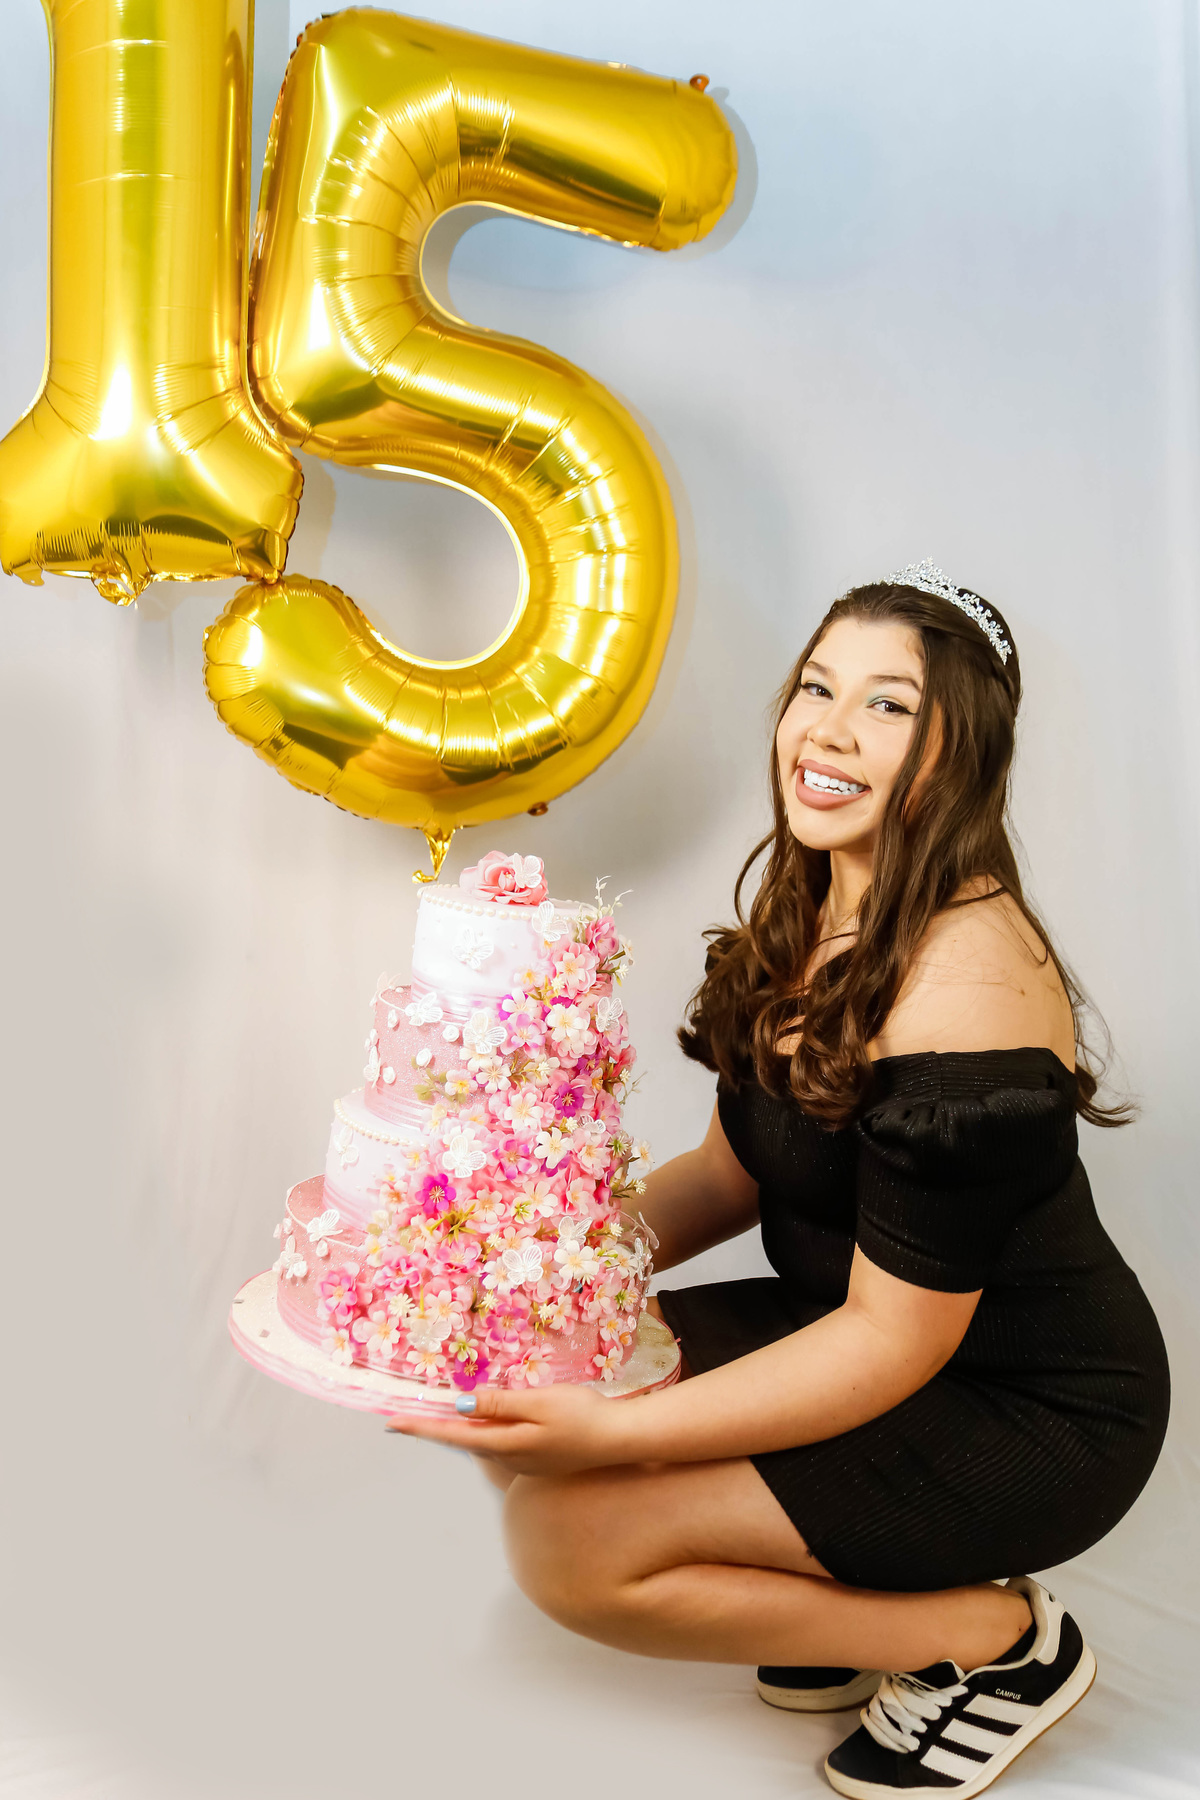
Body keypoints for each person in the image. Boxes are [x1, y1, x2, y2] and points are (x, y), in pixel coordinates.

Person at [389, 564, 1170, 1799]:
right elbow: (727, 1174)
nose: (829, 730)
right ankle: (843, 1589)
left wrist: (622, 1432)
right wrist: (526, 1275)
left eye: (889, 705)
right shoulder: (818, 905)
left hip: (1024, 1409)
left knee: (571, 1548)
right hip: (840, 1325)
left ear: (965, 751)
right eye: (817, 687)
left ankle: (993, 1644)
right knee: (530, 1393)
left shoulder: (967, 984)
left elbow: (893, 1342)